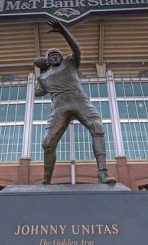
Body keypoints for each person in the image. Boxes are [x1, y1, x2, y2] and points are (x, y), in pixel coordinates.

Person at [34, 18, 116, 185]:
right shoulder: (43, 76)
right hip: (59, 107)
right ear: (47, 61)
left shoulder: (70, 63)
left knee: (97, 127)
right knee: (47, 143)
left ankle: (102, 174)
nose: (56, 56)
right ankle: (46, 179)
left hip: (79, 101)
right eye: (51, 56)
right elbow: (37, 93)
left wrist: (63, 30)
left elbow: (76, 48)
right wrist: (41, 72)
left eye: (58, 54)